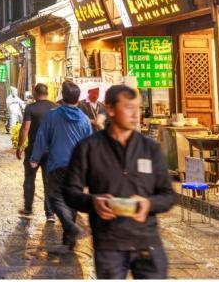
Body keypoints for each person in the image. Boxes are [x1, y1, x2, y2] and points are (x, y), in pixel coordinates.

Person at [64, 84, 176, 279]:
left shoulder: (150, 148)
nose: (135, 115)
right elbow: (70, 192)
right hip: (109, 244)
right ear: (110, 109)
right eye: (128, 108)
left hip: (147, 242)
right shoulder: (89, 148)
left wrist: (148, 203)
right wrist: (93, 202)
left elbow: (168, 195)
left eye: (138, 108)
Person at [29, 81, 93, 250]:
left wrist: (35, 157)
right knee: (73, 200)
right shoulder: (85, 120)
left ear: (62, 98)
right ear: (78, 100)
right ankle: (68, 238)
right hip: (78, 167)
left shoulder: (53, 115)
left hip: (57, 164)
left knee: (54, 196)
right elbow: (90, 145)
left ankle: (69, 226)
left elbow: (41, 137)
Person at [16, 83, 56, 221]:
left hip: (33, 149)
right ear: (47, 93)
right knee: (48, 181)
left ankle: (28, 208)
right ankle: (50, 213)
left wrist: (20, 146)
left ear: (35, 93)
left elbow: (25, 128)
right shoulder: (55, 107)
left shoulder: (31, 108)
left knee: (29, 179)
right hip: (50, 151)